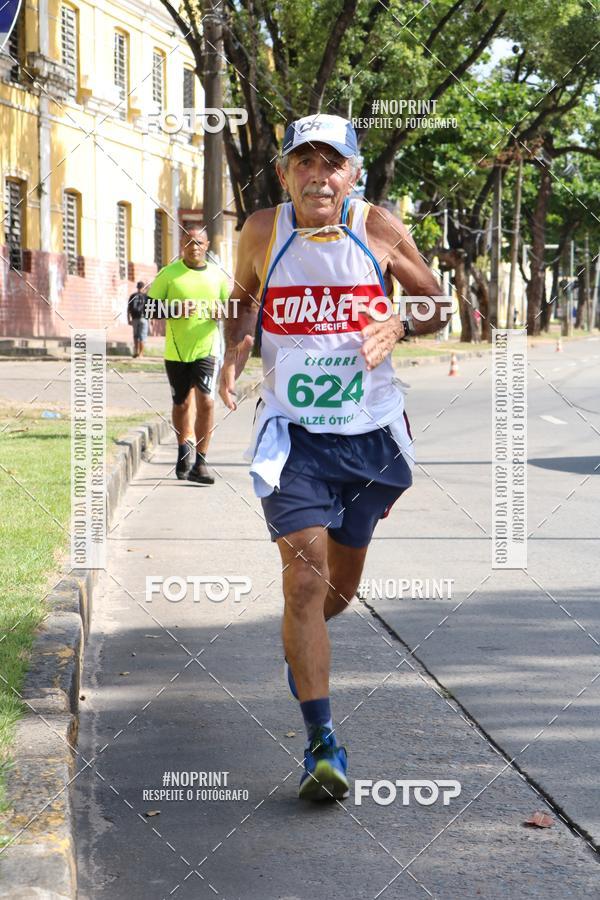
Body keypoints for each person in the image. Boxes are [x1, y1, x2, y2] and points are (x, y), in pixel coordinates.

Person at [219, 114, 451, 801]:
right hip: (292, 438)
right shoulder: (262, 229)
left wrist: (400, 319)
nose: (318, 175)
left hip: (371, 436)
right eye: (304, 163)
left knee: (335, 596)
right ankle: (323, 741)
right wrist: (235, 349)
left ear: (353, 172)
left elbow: (438, 300)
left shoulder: (375, 226)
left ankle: (303, 643)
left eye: (333, 163)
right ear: (285, 171)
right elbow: (243, 299)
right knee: (303, 581)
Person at [147, 225, 229, 483]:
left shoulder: (218, 276)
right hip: (176, 351)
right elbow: (147, 308)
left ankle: (201, 463)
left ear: (207, 246)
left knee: (207, 402)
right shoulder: (169, 275)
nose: (194, 247)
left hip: (208, 349)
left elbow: (232, 307)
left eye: (199, 243)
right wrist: (174, 308)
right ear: (182, 246)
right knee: (181, 404)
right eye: (190, 242)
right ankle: (184, 449)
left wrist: (223, 312)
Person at [127, 281, 149, 358]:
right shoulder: (146, 297)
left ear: (137, 287)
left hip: (134, 319)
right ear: (143, 288)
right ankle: (141, 354)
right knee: (142, 336)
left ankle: (136, 352)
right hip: (144, 319)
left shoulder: (132, 296)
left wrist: (128, 319)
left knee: (136, 336)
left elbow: (128, 309)